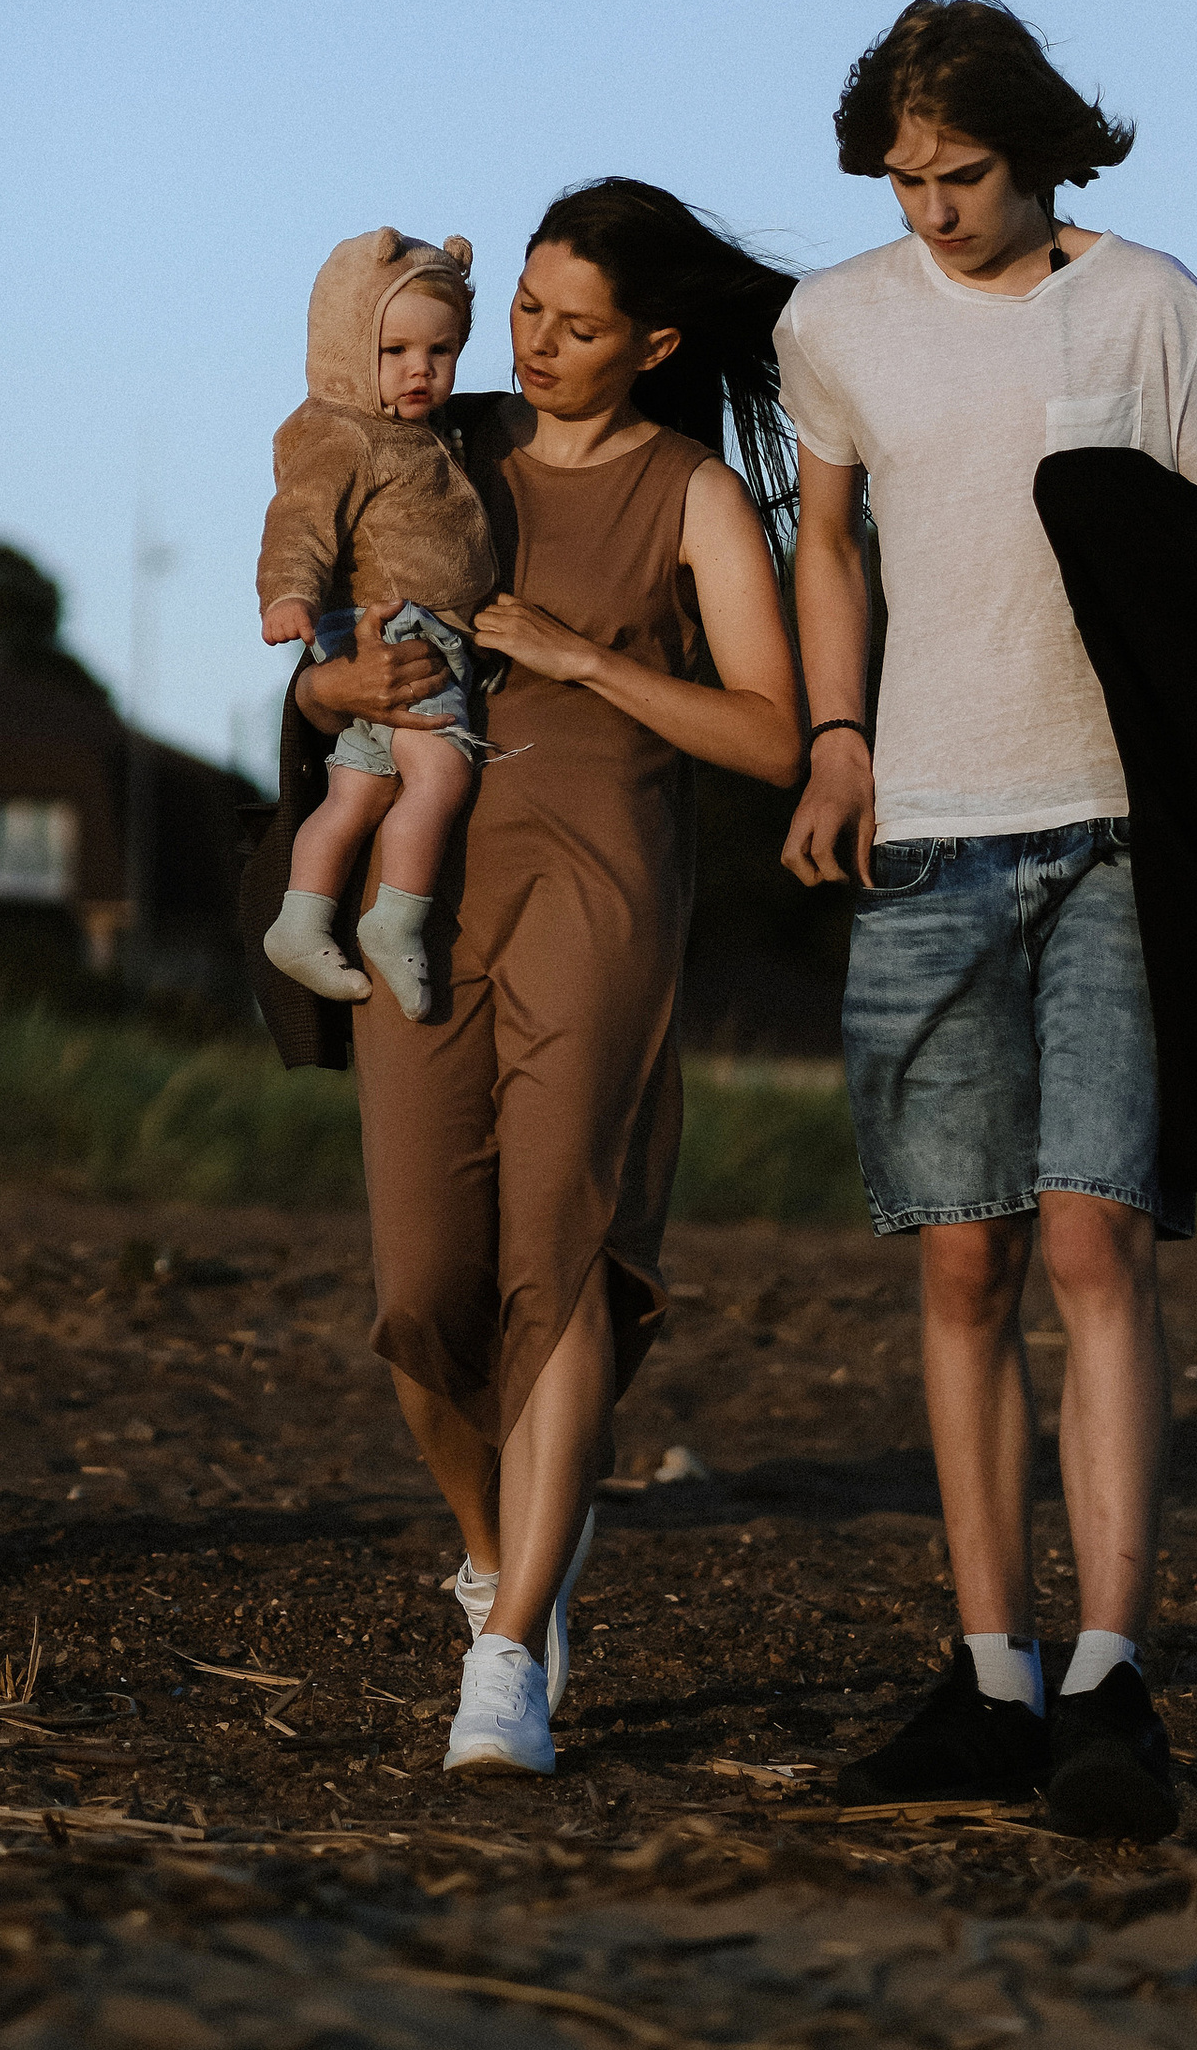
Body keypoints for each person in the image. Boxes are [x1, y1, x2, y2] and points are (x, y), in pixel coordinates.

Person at [777, 0, 1197, 1843]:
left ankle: (1111, 1677)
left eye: (962, 172)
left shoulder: (1151, 304)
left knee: (1096, 1250)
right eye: (902, 177)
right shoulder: (834, 322)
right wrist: (835, 739)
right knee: (960, 1260)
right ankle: (992, 1671)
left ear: (1041, 146)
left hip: (1117, 838)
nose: (929, 207)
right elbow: (823, 539)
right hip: (925, 831)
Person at [289, 184, 803, 1782]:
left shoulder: (694, 494)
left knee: (559, 1256)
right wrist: (333, 678)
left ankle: (509, 1644)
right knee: (420, 1294)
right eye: (523, 308)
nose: (534, 344)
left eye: (574, 326)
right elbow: (314, 638)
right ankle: (501, 1550)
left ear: (653, 342)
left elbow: (774, 735)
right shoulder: (451, 435)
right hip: (420, 896)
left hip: (603, 884)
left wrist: (580, 656)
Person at [257, 230, 499, 1019]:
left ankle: (299, 921)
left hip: (410, 628)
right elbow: (299, 521)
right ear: (346, 344)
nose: (420, 370)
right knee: (443, 773)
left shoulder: (416, 432)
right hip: (396, 630)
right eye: (394, 350)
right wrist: (286, 597)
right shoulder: (341, 429)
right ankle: (395, 920)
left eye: (442, 350)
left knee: (357, 795)